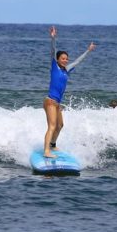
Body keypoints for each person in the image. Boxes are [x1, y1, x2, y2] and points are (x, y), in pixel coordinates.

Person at [43, 26, 95, 158]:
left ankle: (52, 145)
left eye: (67, 59)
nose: (66, 60)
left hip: (57, 104)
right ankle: (46, 151)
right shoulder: (54, 67)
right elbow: (53, 50)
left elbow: (78, 61)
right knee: (52, 126)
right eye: (63, 58)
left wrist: (88, 51)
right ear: (58, 59)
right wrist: (53, 38)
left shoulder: (67, 70)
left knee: (60, 125)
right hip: (50, 101)